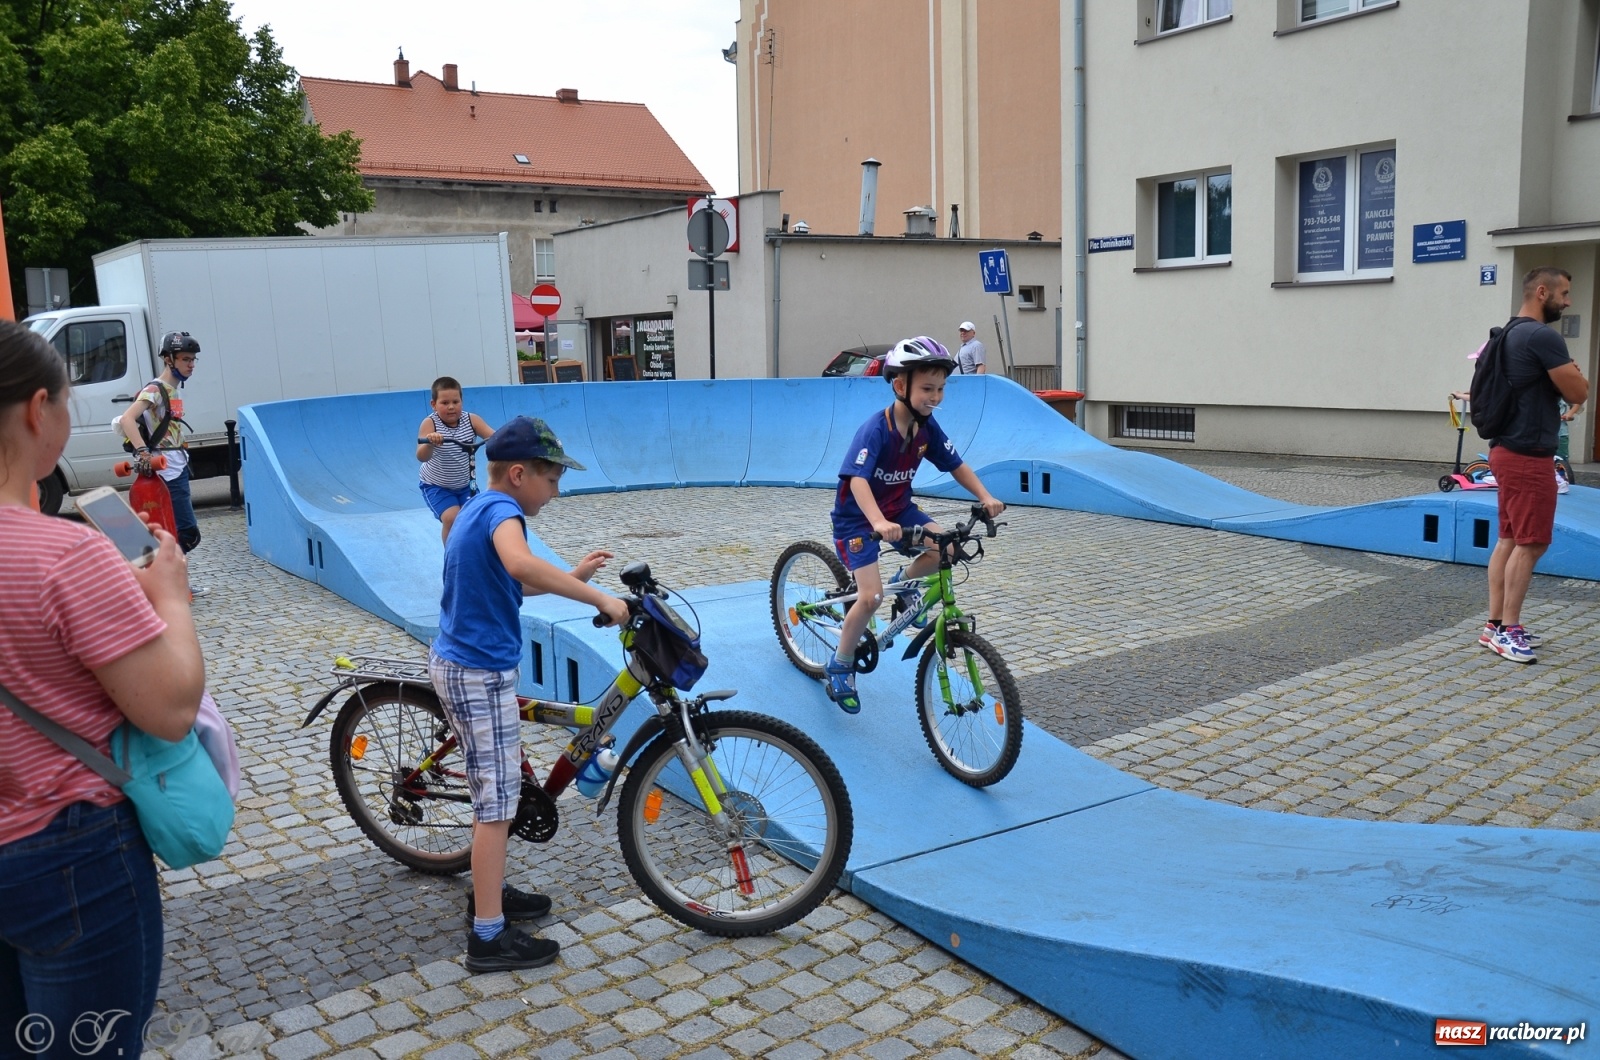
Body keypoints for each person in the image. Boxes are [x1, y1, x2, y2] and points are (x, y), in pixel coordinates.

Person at [0, 319, 205, 1058]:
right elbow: (171, 708)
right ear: (35, 410)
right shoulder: (66, 554)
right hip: (68, 852)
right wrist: (170, 600)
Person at [427, 415, 630, 972]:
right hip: (476, 673)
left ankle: (489, 893)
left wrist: (572, 573)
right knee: (496, 806)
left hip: (471, 666)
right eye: (552, 478)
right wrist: (598, 597)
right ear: (518, 474)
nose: (557, 490)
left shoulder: (478, 507)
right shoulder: (501, 511)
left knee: (501, 793)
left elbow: (508, 581)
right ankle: (488, 938)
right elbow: (518, 562)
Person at [824, 337, 1005, 713]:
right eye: (927, 388)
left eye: (940, 389)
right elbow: (857, 480)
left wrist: (985, 496)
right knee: (871, 597)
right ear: (900, 385)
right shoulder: (875, 429)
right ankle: (840, 663)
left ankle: (904, 586)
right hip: (860, 519)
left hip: (900, 509)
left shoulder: (927, 428)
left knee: (949, 547)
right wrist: (877, 520)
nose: (935, 396)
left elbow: (955, 464)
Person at [1478, 266, 1589, 664]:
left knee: (1509, 539)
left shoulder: (1507, 333)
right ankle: (1508, 631)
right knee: (1531, 543)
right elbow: (1579, 390)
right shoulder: (1542, 337)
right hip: (1528, 456)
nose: (1569, 302)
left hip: (1505, 449)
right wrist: (1575, 373)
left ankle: (1494, 625)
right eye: (1564, 294)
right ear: (1542, 292)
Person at [118, 331, 203, 557]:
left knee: (175, 532)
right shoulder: (155, 389)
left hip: (177, 465)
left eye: (193, 359)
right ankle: (160, 573)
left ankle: (174, 582)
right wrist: (144, 452)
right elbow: (126, 419)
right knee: (186, 533)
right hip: (167, 469)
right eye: (185, 359)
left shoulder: (172, 389)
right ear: (168, 359)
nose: (191, 364)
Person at [416, 377, 494, 543]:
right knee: (452, 519)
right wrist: (430, 442)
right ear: (433, 404)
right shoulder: (430, 423)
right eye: (444, 403)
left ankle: (475, 556)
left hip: (466, 485)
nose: (451, 407)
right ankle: (452, 559)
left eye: (455, 401)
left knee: (476, 518)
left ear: (461, 401)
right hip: (436, 486)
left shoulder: (471, 420)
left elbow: (494, 436)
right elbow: (421, 456)